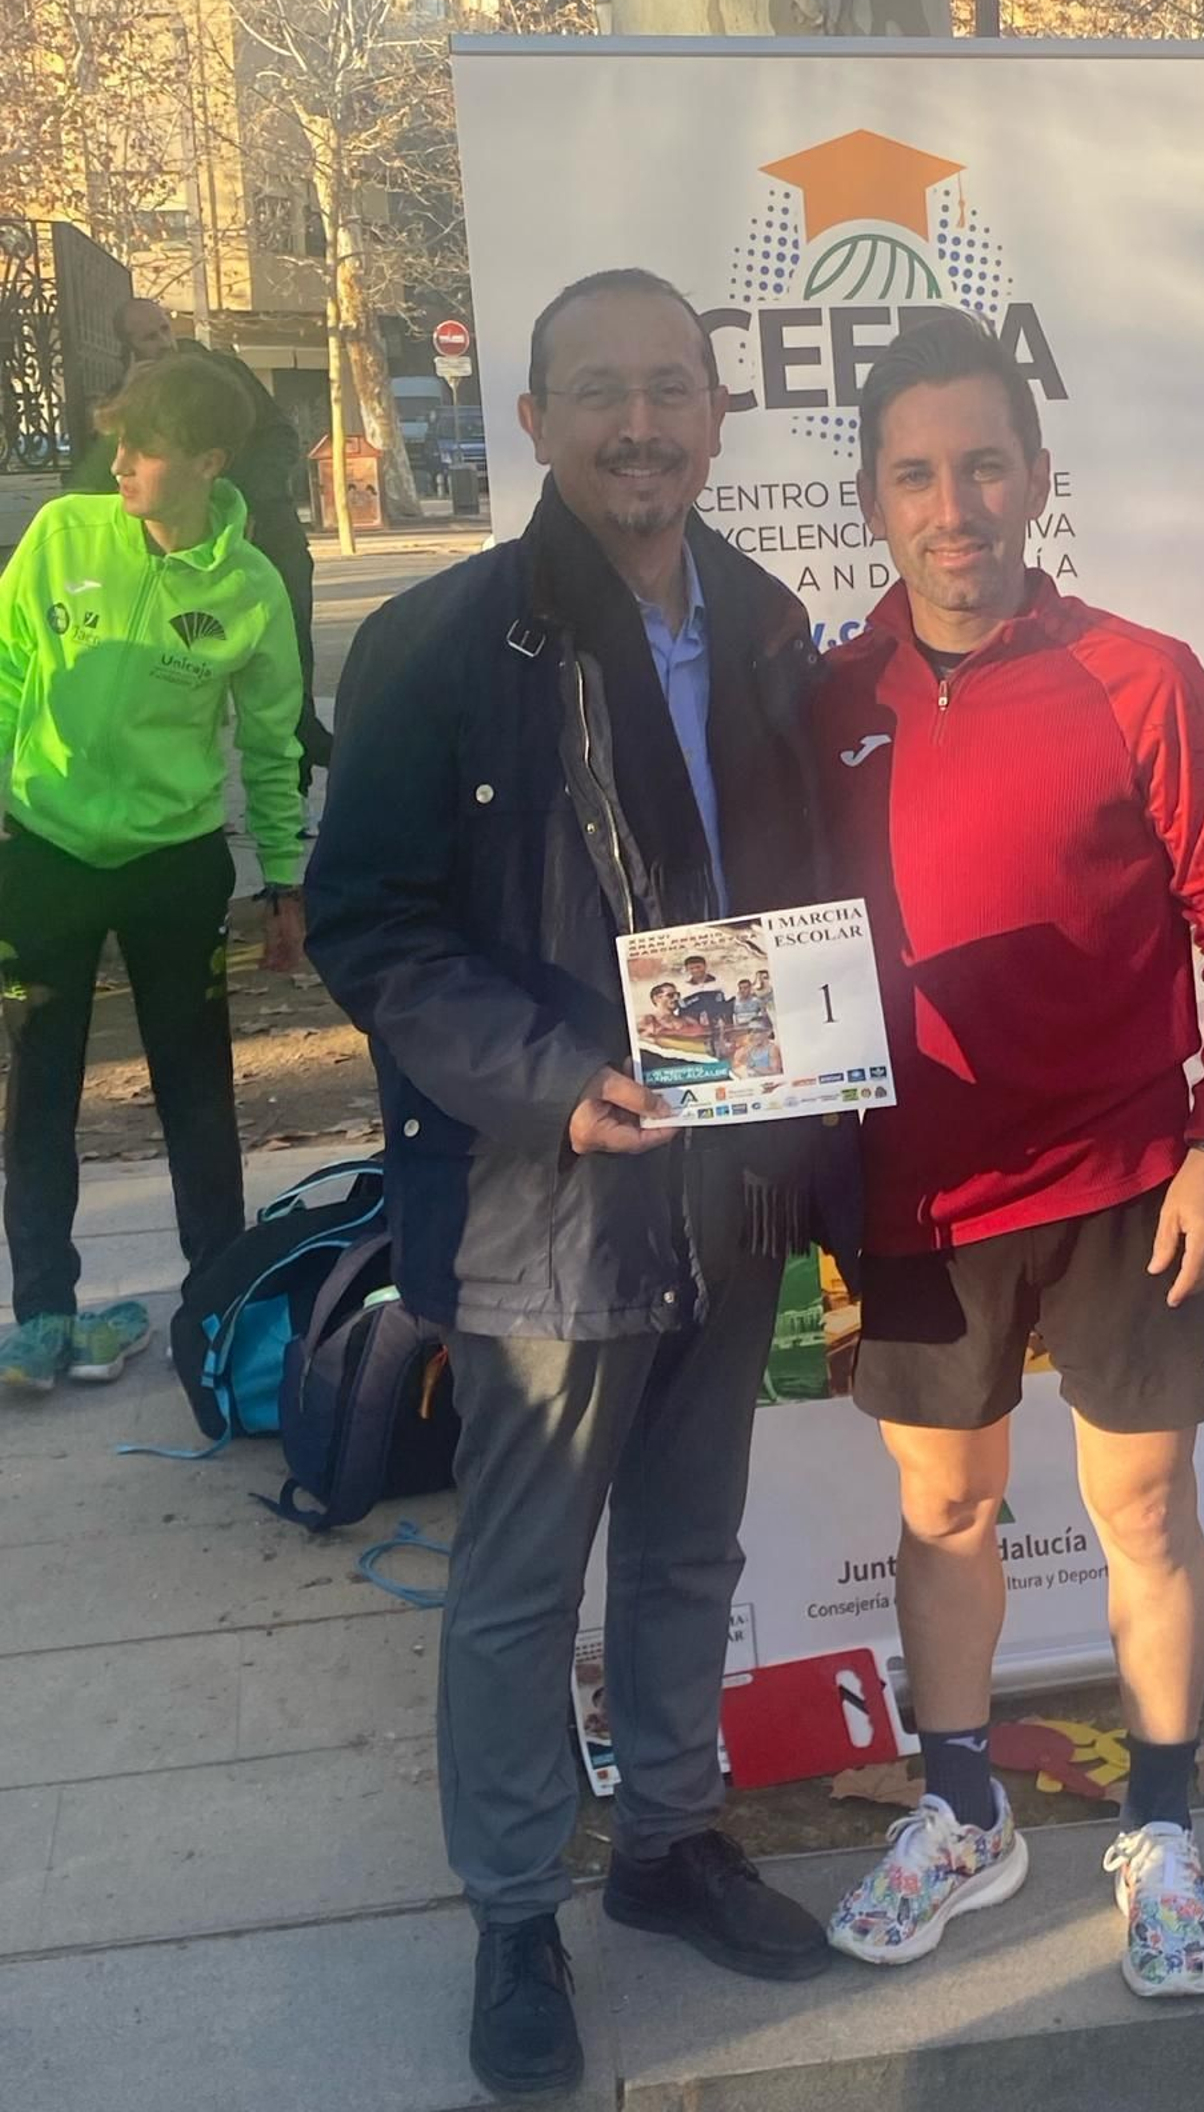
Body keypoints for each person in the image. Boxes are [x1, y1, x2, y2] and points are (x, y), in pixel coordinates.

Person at [304, 267, 855, 2102]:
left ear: (718, 413)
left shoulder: (775, 621)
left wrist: (826, 1119)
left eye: (672, 387)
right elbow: (366, 924)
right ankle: (514, 1908)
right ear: (532, 422)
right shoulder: (449, 645)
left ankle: (673, 1841)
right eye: (600, 390)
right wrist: (554, 1085)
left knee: (694, 1544)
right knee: (523, 1585)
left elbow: (816, 899)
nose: (642, 421)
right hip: (550, 1194)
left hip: (733, 1179)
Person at [813, 313, 1204, 1994]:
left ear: (1039, 475)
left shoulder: (1138, 673)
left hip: (1119, 1177)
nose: (959, 504)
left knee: (1141, 1506)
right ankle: (963, 1810)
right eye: (920, 474)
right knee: (944, 1511)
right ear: (873, 497)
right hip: (919, 1198)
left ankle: (1161, 1823)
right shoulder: (829, 697)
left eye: (987, 464)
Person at [0, 352, 306, 1392]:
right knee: (39, 1090)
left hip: (176, 867)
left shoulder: (252, 587)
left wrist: (283, 881)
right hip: (45, 854)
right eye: (119, 440)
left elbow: (270, 749)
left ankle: (216, 1308)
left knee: (197, 1094)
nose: (119, 461)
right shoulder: (63, 535)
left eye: (144, 447)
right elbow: (5, 671)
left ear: (208, 461)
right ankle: (42, 1313)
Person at [69, 298, 332, 791]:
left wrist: (249, 499)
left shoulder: (222, 372)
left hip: (267, 535)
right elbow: (95, 483)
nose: (163, 342)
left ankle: (295, 768)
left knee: (287, 655)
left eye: (165, 329)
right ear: (127, 348)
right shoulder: (129, 398)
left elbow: (278, 436)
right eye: (147, 337)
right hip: (185, 567)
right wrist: (132, 398)